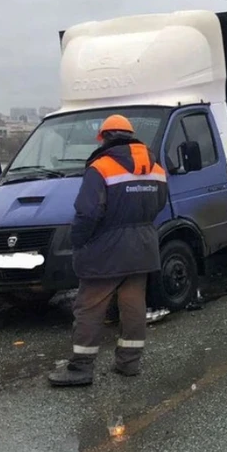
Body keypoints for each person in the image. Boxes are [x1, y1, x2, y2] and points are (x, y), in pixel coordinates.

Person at [48, 115, 168, 387]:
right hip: (143, 248)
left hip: (106, 251)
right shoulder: (155, 166)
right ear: (131, 136)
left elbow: (87, 213)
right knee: (134, 305)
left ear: (104, 137)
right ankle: (129, 363)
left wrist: (78, 241)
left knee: (89, 307)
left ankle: (80, 367)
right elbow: (159, 204)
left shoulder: (101, 167)